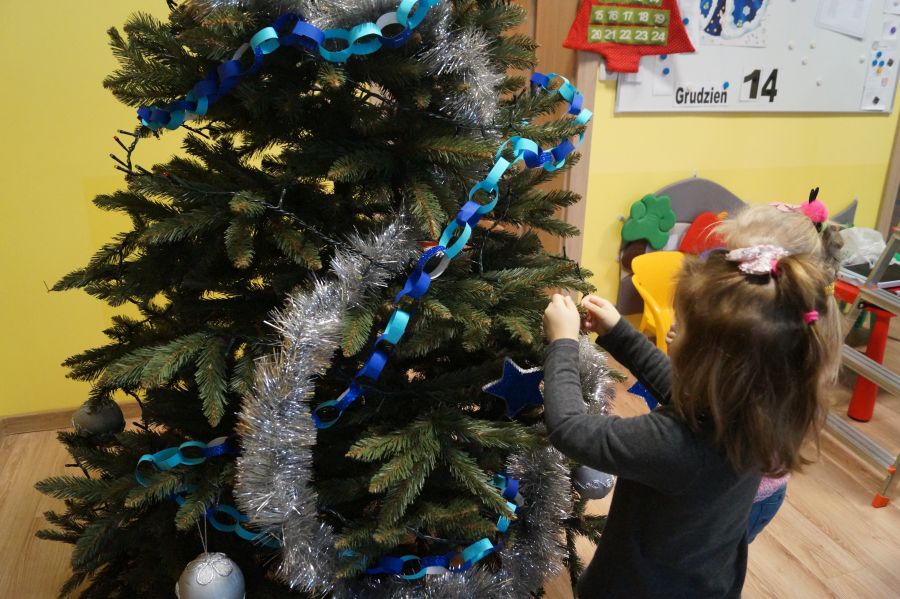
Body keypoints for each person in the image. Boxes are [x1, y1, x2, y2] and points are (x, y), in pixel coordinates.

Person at [542, 242, 840, 597]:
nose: (671, 330)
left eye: (681, 327)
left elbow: (570, 429)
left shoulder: (677, 442)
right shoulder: (761, 408)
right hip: (707, 582)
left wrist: (562, 342)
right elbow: (677, 387)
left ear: (712, 364)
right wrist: (619, 331)